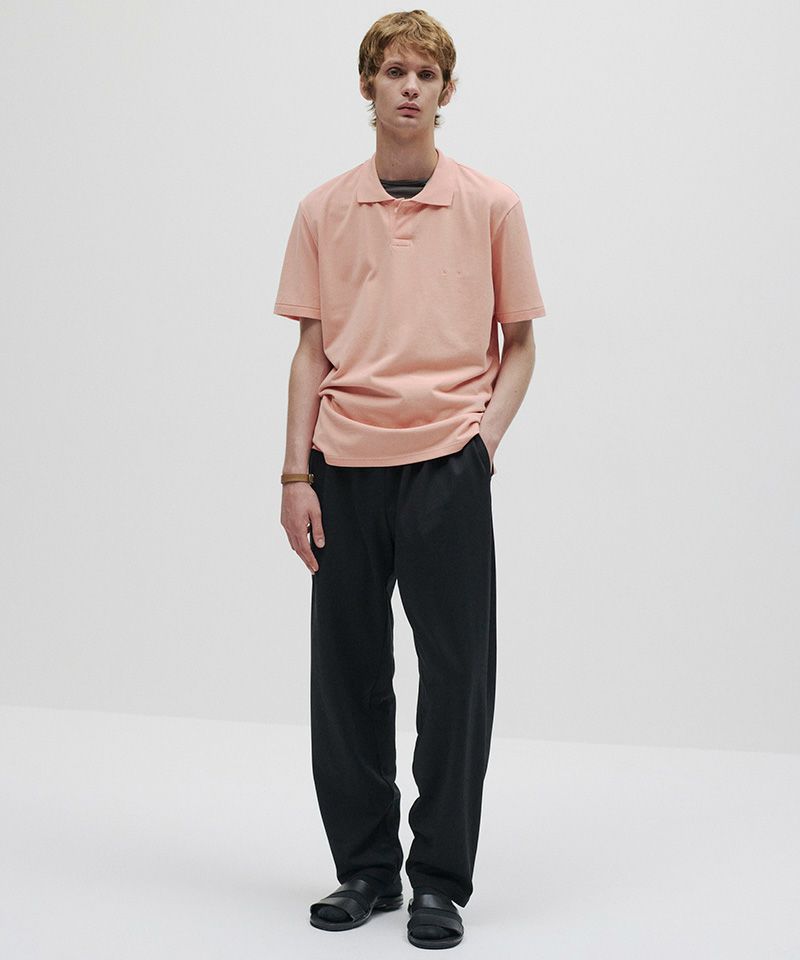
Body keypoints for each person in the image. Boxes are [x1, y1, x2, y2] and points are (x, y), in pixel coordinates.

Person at [273, 9, 546, 950]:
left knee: (458, 676)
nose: (410, 88)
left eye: (426, 74)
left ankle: (439, 881)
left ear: (447, 91)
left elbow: (520, 345)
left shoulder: (492, 206)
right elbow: (310, 353)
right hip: (342, 468)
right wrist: (293, 474)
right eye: (394, 71)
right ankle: (364, 870)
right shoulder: (322, 210)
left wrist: (481, 448)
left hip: (445, 468)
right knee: (348, 676)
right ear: (368, 86)